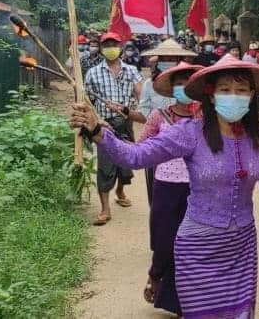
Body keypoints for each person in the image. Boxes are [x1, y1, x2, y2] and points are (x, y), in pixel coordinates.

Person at [69, 55, 259, 316]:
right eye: (225, 89)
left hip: (241, 249)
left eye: (241, 90)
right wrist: (98, 133)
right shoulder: (190, 132)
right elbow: (135, 157)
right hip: (197, 248)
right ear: (212, 95)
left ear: (252, 95)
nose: (234, 96)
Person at [139, 62, 202, 316]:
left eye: (189, 82)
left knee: (187, 245)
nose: (184, 87)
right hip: (165, 187)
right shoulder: (159, 116)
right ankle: (155, 274)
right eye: (179, 82)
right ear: (172, 88)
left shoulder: (204, 119)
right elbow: (141, 147)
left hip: (196, 188)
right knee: (164, 243)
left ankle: (181, 303)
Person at [84, 31, 144, 226]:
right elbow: (87, 102)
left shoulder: (131, 71)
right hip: (104, 126)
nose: (111, 48)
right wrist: (98, 119)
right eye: (106, 44)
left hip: (125, 123)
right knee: (106, 165)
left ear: (120, 47)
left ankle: (120, 190)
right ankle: (105, 209)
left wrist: (134, 107)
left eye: (114, 44)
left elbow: (140, 95)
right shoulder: (93, 73)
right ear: (101, 48)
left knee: (126, 160)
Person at [133, 38, 197, 205]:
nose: (167, 62)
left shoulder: (199, 106)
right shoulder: (149, 86)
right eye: (164, 59)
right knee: (160, 205)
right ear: (158, 60)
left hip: (192, 164)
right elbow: (143, 117)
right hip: (159, 157)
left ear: (178, 60)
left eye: (172, 59)